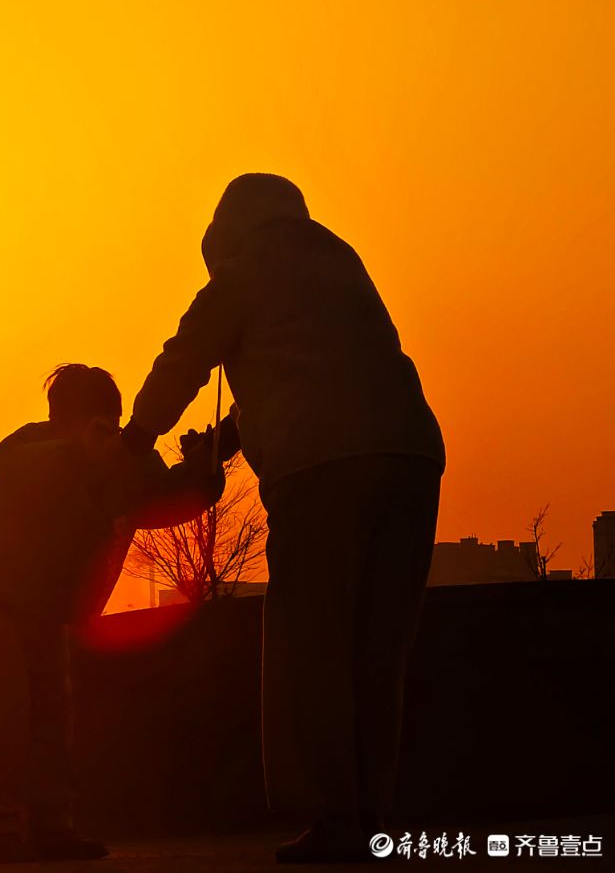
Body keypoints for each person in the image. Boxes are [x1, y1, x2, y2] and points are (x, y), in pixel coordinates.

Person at [120, 174, 446, 863]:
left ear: (226, 233)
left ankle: (337, 814)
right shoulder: (341, 264)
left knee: (316, 646)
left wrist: (134, 438)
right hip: (411, 456)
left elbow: (184, 360)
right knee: (380, 648)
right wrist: (232, 440)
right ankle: (374, 814)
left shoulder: (240, 273)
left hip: (320, 472)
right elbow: (319, 372)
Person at [0, 363, 233, 865]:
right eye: (100, 421)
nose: (112, 432)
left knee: (52, 714)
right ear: (64, 419)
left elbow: (162, 501)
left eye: (115, 422)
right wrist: (89, 450)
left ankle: (53, 825)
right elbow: (21, 468)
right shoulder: (24, 450)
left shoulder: (118, 461)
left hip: (48, 606)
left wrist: (211, 461)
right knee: (5, 709)